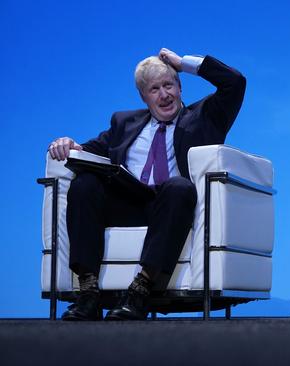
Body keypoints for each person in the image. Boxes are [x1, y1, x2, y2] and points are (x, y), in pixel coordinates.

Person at [48, 48, 246, 320]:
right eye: (155, 89)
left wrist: (183, 63)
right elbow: (86, 150)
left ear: (179, 86)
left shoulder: (205, 117)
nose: (164, 94)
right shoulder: (124, 122)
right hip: (127, 204)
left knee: (179, 187)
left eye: (169, 85)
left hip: (169, 208)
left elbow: (235, 82)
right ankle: (88, 293)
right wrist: (68, 144)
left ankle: (140, 290)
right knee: (84, 183)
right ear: (144, 96)